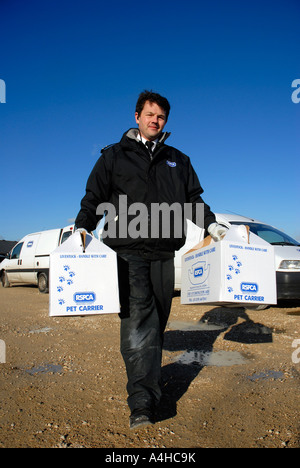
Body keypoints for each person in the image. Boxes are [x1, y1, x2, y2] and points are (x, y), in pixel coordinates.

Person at [75, 90, 227, 429]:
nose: (154, 120)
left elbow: (193, 200)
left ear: (165, 122)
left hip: (163, 252)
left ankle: (147, 383)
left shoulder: (178, 159)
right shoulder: (114, 156)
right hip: (127, 251)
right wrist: (82, 229)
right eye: (149, 114)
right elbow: (93, 197)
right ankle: (142, 403)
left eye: (160, 116)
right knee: (139, 322)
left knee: (156, 322)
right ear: (137, 117)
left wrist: (212, 224)